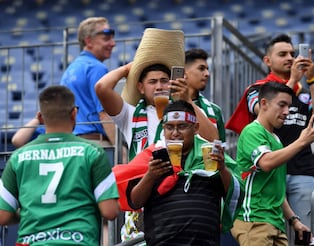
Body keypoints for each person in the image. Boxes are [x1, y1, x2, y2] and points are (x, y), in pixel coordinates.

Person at [95, 28, 219, 241]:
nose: (160, 86)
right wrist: (130, 68)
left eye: (164, 81)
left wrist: (187, 100)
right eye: (153, 82)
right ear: (141, 87)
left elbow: (213, 138)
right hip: (143, 190)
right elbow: (101, 87)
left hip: (177, 195)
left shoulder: (182, 112)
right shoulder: (130, 114)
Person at [225, 34, 314, 240]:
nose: (290, 58)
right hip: (267, 174)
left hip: (301, 170)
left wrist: (312, 79)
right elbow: (260, 112)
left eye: (292, 53)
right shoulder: (257, 90)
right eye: (282, 54)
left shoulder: (304, 92)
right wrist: (292, 80)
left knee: (304, 236)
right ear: (267, 61)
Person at [0, 85, 119, 245]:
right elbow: (110, 211)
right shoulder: (92, 151)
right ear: (74, 113)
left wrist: (24, 214)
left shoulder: (18, 157)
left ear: (40, 118)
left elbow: (3, 215)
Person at [113, 100, 242, 245]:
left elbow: (234, 192)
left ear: (196, 128)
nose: (175, 133)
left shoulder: (211, 156)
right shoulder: (152, 157)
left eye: (182, 126)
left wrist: (222, 169)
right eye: (169, 127)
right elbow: (136, 202)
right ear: (163, 129)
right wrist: (150, 176)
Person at [231, 82, 314, 245]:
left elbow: (277, 189)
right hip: (255, 220)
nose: (287, 112)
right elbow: (265, 162)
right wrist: (301, 141)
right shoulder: (252, 131)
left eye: (289, 106)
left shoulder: (276, 139)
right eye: (282, 105)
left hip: (275, 222)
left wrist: (294, 220)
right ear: (263, 103)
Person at [60, 16, 116, 146]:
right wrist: (121, 152)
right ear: (89, 41)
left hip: (72, 144)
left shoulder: (69, 71)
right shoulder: (96, 68)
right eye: (106, 38)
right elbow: (104, 115)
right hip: (95, 144)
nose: (113, 43)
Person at [184, 48, 226, 142]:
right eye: (201, 68)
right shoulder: (166, 105)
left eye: (207, 69)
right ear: (184, 73)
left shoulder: (215, 111)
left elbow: (219, 148)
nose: (207, 74)